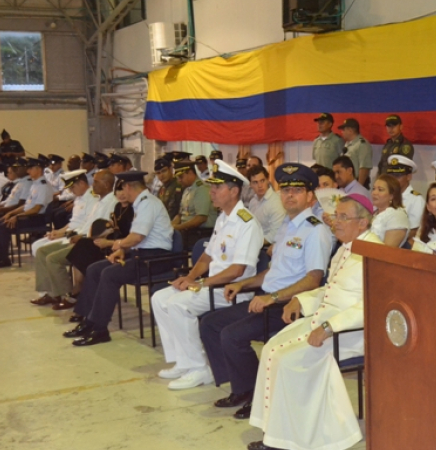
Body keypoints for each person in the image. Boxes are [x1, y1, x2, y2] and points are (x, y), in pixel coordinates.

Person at [199, 163, 332, 420]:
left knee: (232, 335)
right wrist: (243, 284)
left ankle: (258, 396)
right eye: (285, 190)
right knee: (211, 323)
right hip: (267, 299)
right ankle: (242, 388)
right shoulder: (287, 226)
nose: (289, 195)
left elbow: (314, 280)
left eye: (296, 190)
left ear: (310, 196)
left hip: (287, 306)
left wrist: (270, 297)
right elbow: (272, 272)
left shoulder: (315, 230)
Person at [247, 194, 380, 450]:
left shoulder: (375, 253)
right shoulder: (346, 247)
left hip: (350, 332)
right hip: (324, 320)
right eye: (336, 216)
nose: (335, 222)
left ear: (363, 223)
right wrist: (301, 299)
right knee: (271, 349)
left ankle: (290, 441)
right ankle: (275, 432)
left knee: (288, 361)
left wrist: (330, 328)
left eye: (343, 217)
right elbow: (331, 289)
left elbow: (372, 305)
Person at [152, 160, 263, 390]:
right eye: (211, 187)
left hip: (233, 291)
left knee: (178, 305)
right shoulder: (223, 218)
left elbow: (237, 270)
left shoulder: (247, 224)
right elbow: (207, 257)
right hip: (211, 285)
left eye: (217, 188)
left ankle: (200, 369)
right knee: (159, 298)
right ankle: (184, 361)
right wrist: (190, 278)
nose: (211, 192)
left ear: (234, 191)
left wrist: (201, 283)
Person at [64, 170, 174, 346]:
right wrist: (123, 251)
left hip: (156, 259)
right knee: (94, 269)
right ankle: (88, 321)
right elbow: (138, 239)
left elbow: (137, 237)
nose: (122, 193)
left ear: (128, 187)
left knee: (109, 275)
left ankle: (100, 330)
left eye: (123, 189)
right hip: (142, 254)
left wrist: (118, 244)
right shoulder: (140, 203)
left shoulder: (147, 204)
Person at [31, 170, 116, 310]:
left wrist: (78, 236)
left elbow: (103, 230)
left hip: (89, 244)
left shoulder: (111, 202)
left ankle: (68, 295)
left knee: (53, 259)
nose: (92, 184)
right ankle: (51, 293)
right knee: (41, 251)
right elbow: (86, 223)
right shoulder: (99, 200)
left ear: (106, 184)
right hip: (80, 238)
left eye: (95, 181)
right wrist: (70, 234)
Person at [0, 157, 54, 268]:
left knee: (2, 226)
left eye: (30, 169)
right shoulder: (35, 184)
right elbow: (26, 205)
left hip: (36, 218)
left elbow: (36, 209)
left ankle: (3, 260)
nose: (28, 171)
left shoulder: (43, 186)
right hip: (28, 215)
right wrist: (11, 213)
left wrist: (16, 216)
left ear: (39, 169)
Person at [172, 160, 217, 249]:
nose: (179, 180)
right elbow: (180, 214)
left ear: (191, 173)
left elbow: (201, 218)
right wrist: (170, 226)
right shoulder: (187, 190)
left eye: (181, 177)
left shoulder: (202, 189)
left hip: (200, 234)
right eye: (178, 177)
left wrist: (178, 227)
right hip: (187, 232)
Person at [385, 155, 424, 244]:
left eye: (397, 176)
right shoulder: (385, 195)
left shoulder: (416, 200)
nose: (393, 180)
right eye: (391, 176)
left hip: (402, 245)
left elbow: (413, 232)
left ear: (409, 177)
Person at [247, 165, 286, 246]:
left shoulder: (275, 202)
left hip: (269, 247)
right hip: (254, 243)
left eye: (262, 181)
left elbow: (275, 234)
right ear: (250, 184)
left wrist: (253, 242)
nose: (260, 185)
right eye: (255, 182)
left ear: (268, 180)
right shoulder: (253, 201)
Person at [370, 174, 409, 247]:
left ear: (392, 195)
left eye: (380, 190)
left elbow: (387, 251)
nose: (374, 193)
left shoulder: (397, 216)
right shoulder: (373, 213)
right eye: (373, 188)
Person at [337, 118, 372, 188]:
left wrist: (358, 187)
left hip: (356, 183)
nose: (342, 132)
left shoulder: (362, 145)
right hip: (347, 183)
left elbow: (364, 168)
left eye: (344, 130)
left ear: (350, 130)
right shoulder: (348, 144)